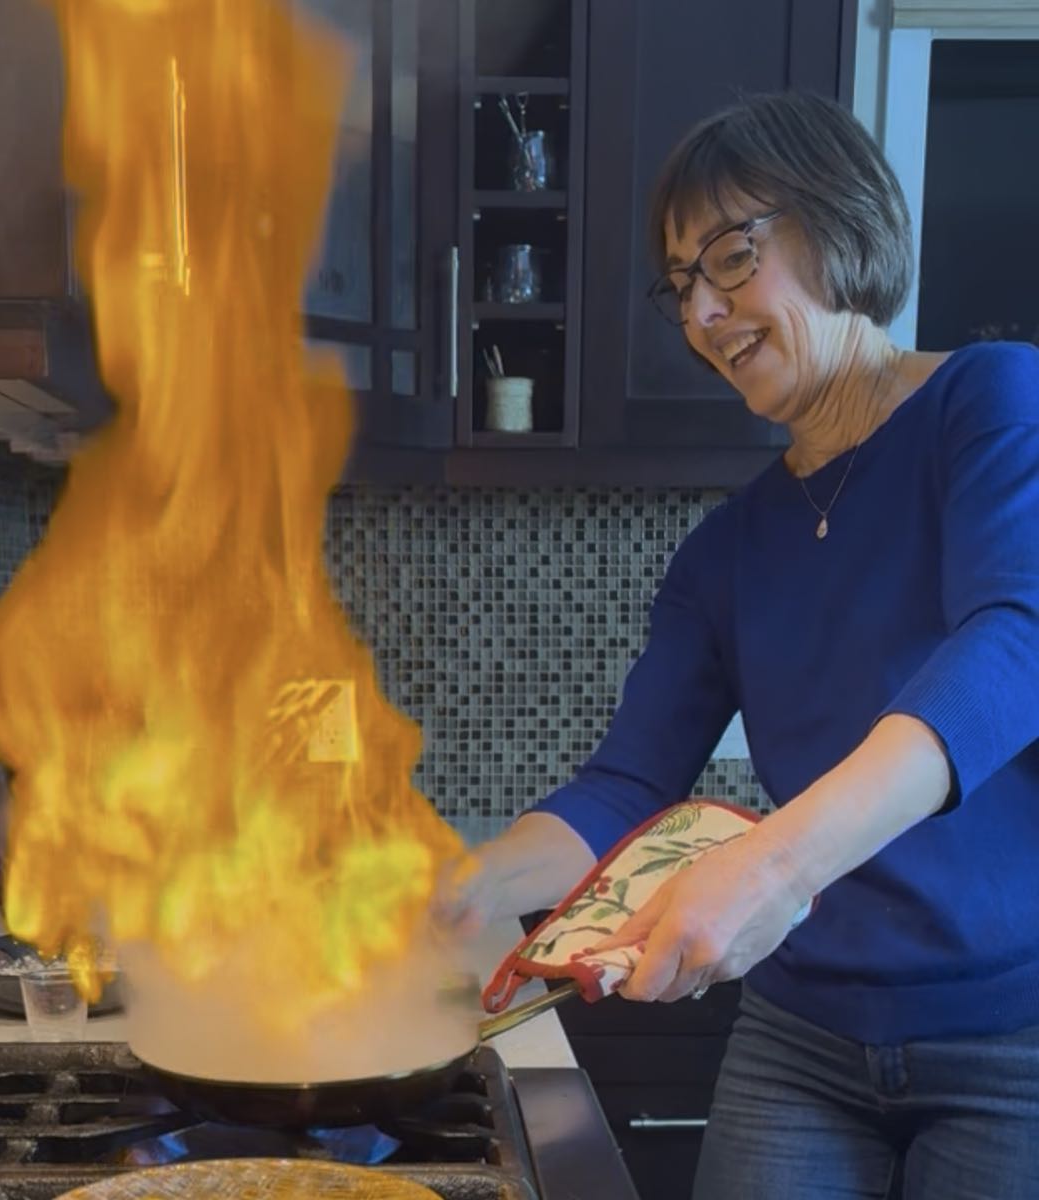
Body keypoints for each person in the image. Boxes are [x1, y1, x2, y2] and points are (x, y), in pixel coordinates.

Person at [437, 91, 1039, 1199]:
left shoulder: (992, 404)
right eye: (681, 284)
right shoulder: (727, 548)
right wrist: (462, 885)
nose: (704, 312)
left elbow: (1017, 641)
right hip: (800, 1040)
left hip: (1014, 1042)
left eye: (731, 257)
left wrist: (771, 862)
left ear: (842, 223)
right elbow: (623, 788)